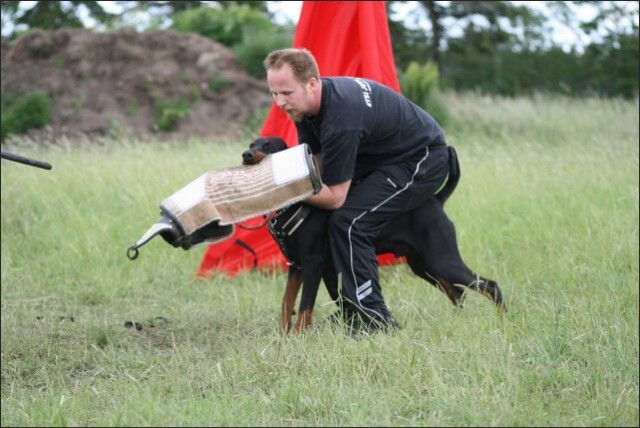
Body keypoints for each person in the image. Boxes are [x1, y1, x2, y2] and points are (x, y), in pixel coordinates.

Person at [263, 48, 450, 332]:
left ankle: (373, 319)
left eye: (286, 93)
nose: (279, 102)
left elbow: (335, 197)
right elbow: (315, 164)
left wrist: (283, 189)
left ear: (312, 83)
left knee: (349, 222)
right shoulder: (307, 109)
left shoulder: (341, 119)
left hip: (421, 159)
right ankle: (350, 309)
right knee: (328, 224)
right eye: (274, 94)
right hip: (382, 159)